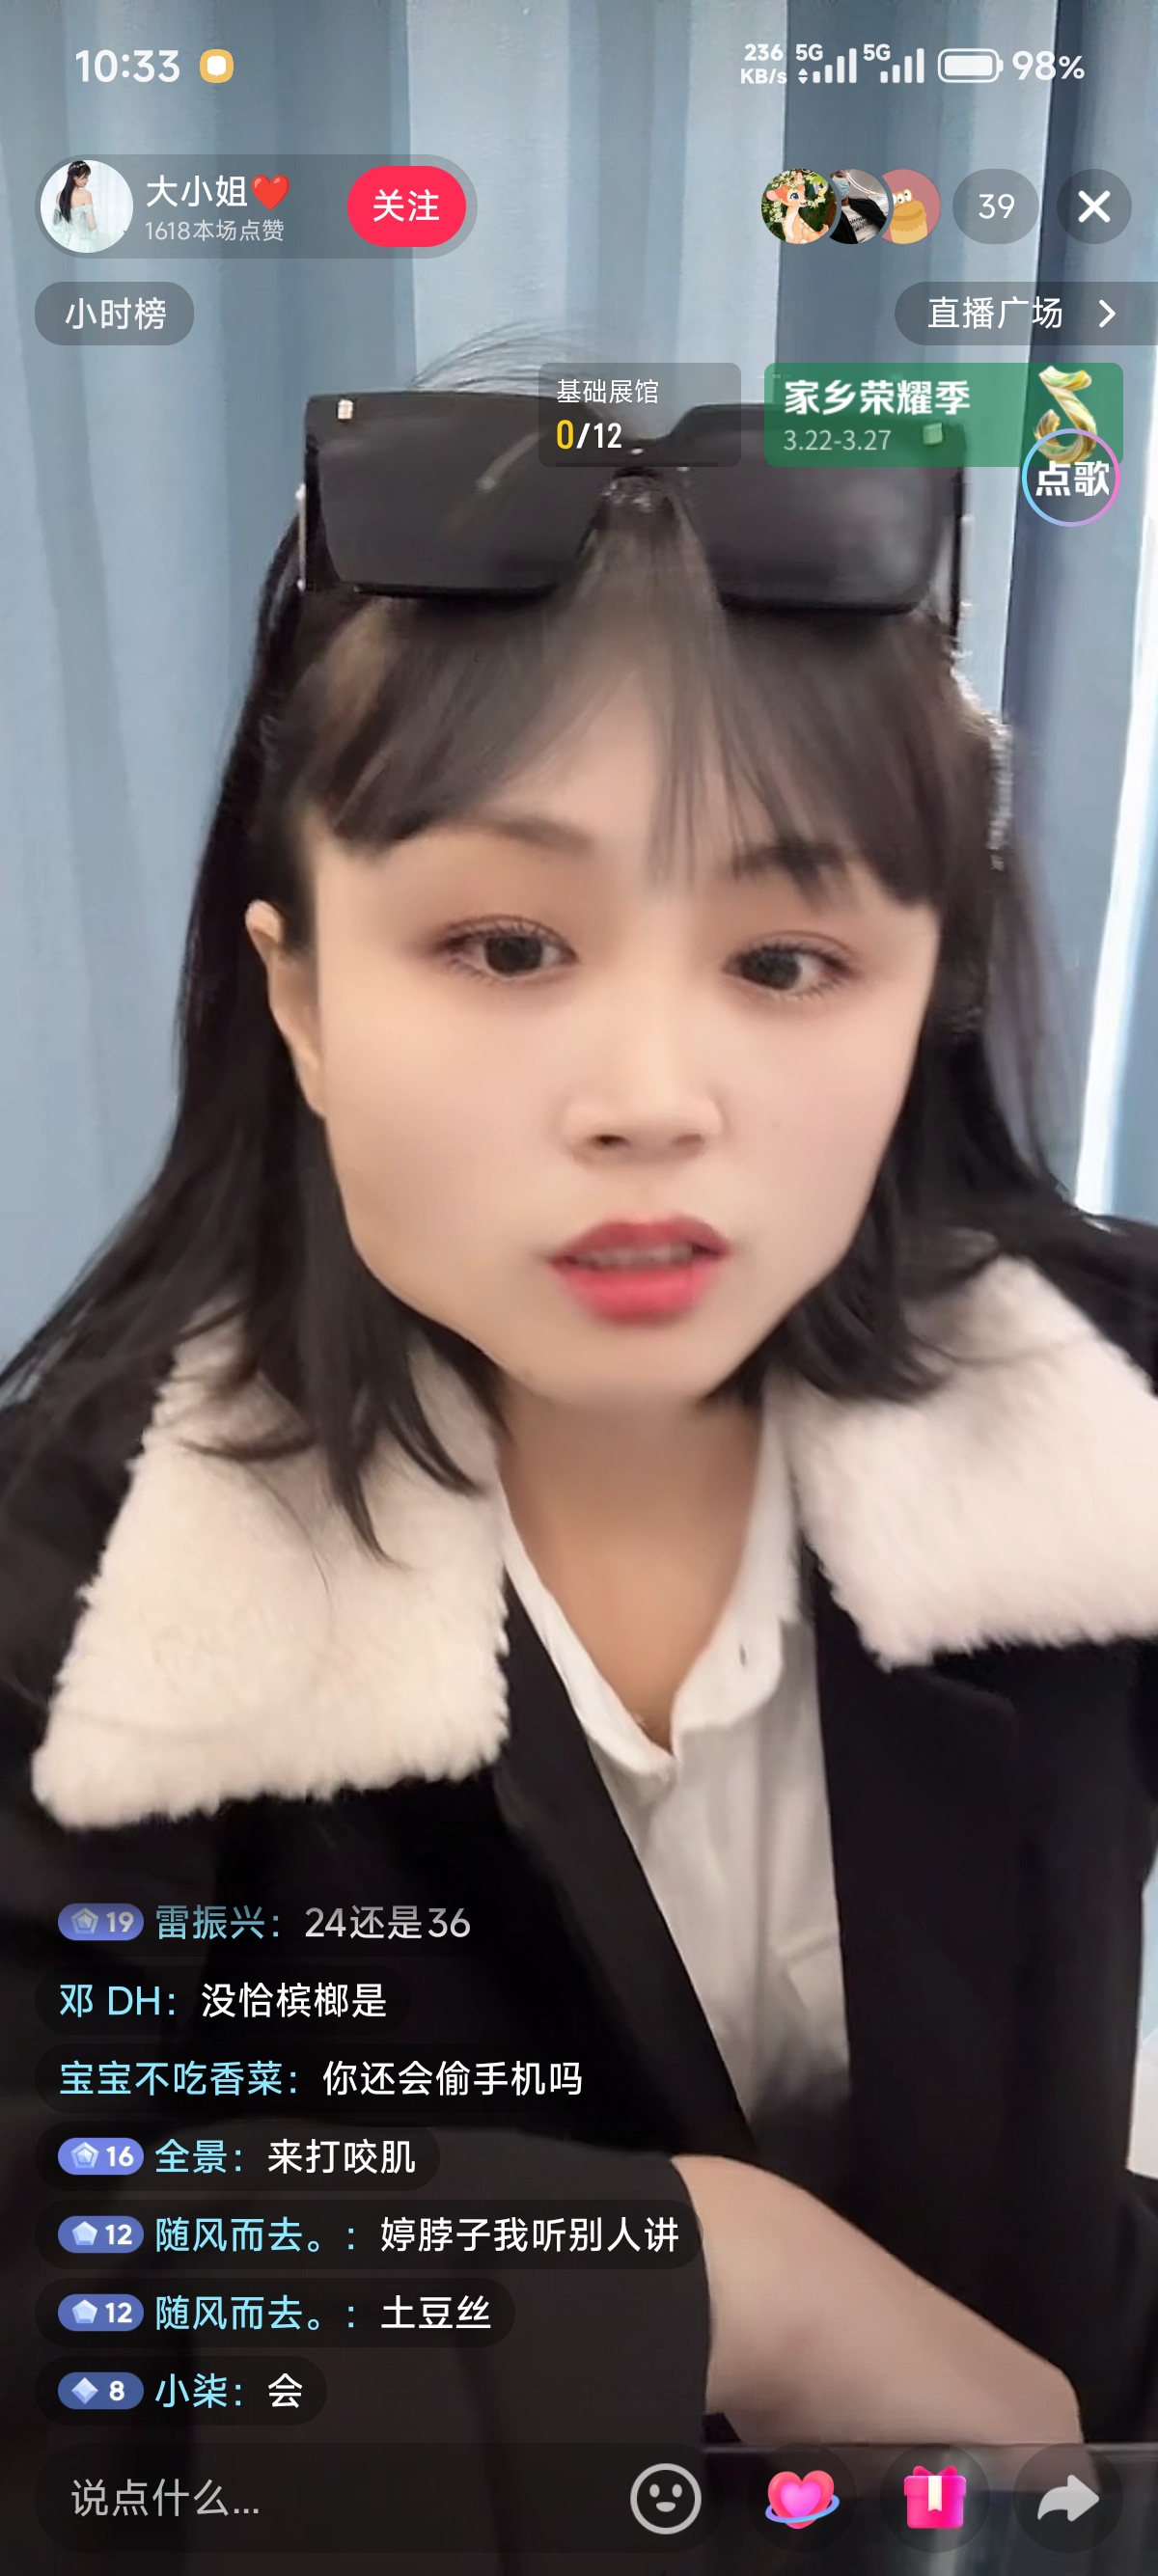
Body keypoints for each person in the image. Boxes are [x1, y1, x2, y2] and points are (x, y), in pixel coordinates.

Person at [3, 356, 1157, 2536]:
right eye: (507, 943)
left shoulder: (1106, 1410)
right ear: (304, 998)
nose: (650, 1096)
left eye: (787, 959)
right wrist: (719, 2280)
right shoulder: (70, 1581)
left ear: (923, 996)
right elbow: (63, 2360)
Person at [50, 160, 102, 253]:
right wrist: (96, 237)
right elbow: (92, 225)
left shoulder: (60, 195)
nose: (87, 180)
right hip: (81, 241)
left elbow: (55, 222)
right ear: (75, 177)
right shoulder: (86, 194)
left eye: (87, 177)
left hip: (65, 241)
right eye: (85, 177)